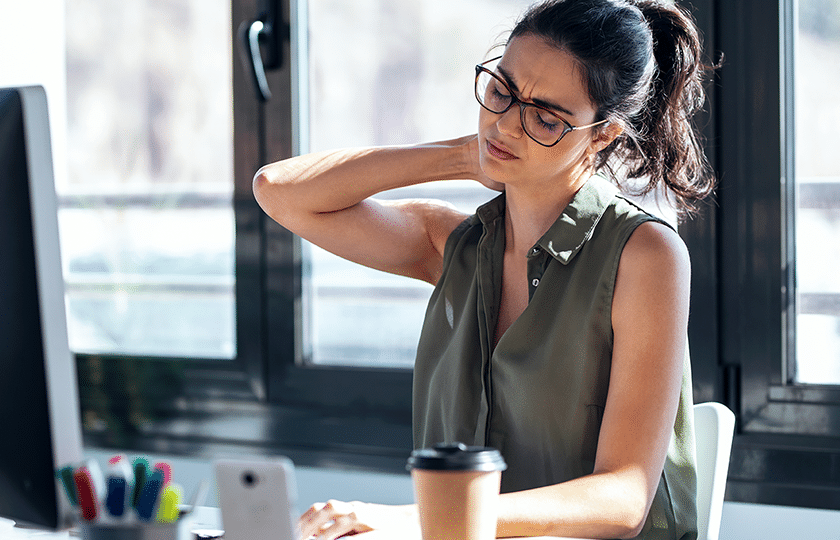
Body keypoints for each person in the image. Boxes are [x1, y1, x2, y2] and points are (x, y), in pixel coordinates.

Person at [252, 0, 717, 538]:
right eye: (501, 91)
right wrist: (462, 155)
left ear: (602, 135)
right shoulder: (455, 244)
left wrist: (423, 521)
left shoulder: (645, 254)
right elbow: (279, 192)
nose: (506, 125)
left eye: (544, 118)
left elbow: (623, 496)